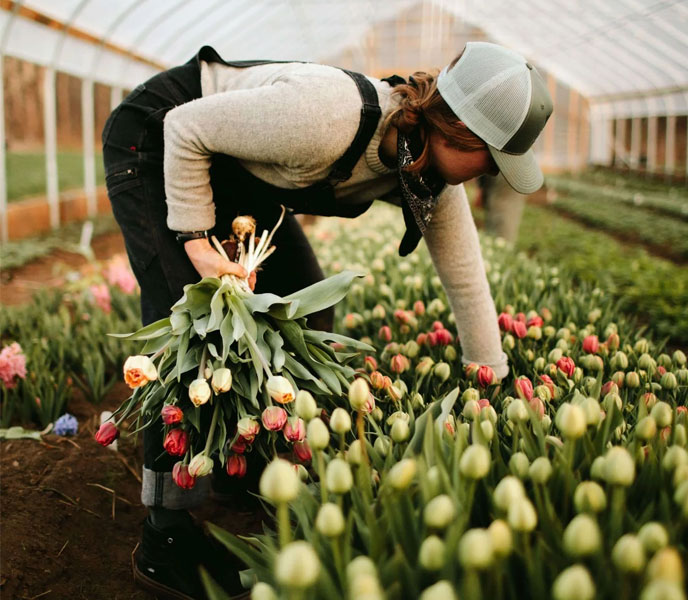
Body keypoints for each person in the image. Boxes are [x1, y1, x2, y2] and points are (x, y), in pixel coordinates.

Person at [102, 40, 552, 599]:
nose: (491, 175)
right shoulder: (326, 118)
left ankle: (238, 463)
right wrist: (195, 241)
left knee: (302, 304)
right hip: (157, 135)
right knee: (191, 328)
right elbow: (184, 128)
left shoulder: (428, 170)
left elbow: (465, 276)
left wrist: (492, 380)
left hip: (237, 172)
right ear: (453, 130)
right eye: (492, 157)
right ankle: (164, 534)